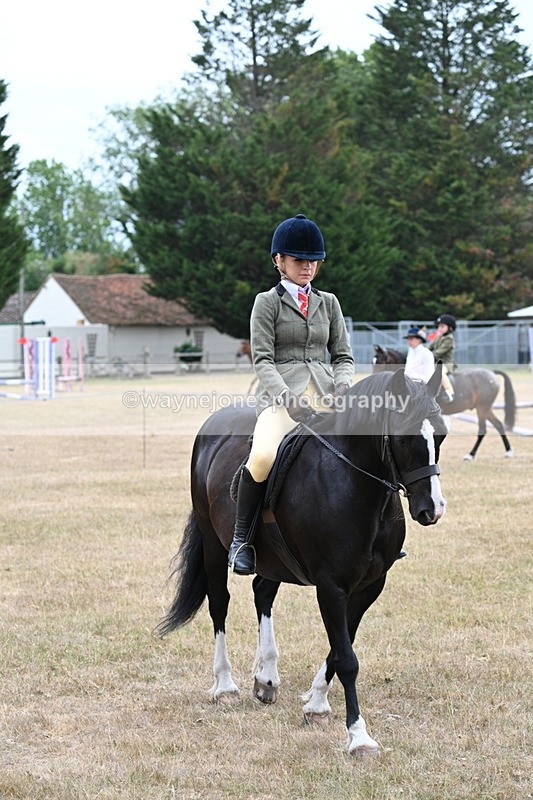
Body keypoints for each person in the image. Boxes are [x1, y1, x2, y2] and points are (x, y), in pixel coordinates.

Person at [228, 213, 355, 575]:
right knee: (262, 456)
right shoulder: (266, 302)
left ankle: (377, 531)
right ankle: (241, 539)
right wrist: (286, 397)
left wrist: (343, 384)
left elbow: (343, 356)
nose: (308, 267)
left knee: (370, 444)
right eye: (299, 260)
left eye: (313, 260)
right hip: (282, 398)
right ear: (279, 261)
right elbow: (263, 360)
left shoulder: (329, 303)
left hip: (327, 395)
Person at [428, 313, 456, 403]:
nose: (439, 328)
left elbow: (439, 352)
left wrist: (427, 356)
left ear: (450, 328)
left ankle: (450, 393)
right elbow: (429, 347)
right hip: (436, 363)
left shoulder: (449, 339)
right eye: (439, 326)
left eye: (442, 326)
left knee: (440, 373)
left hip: (446, 363)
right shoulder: (438, 337)